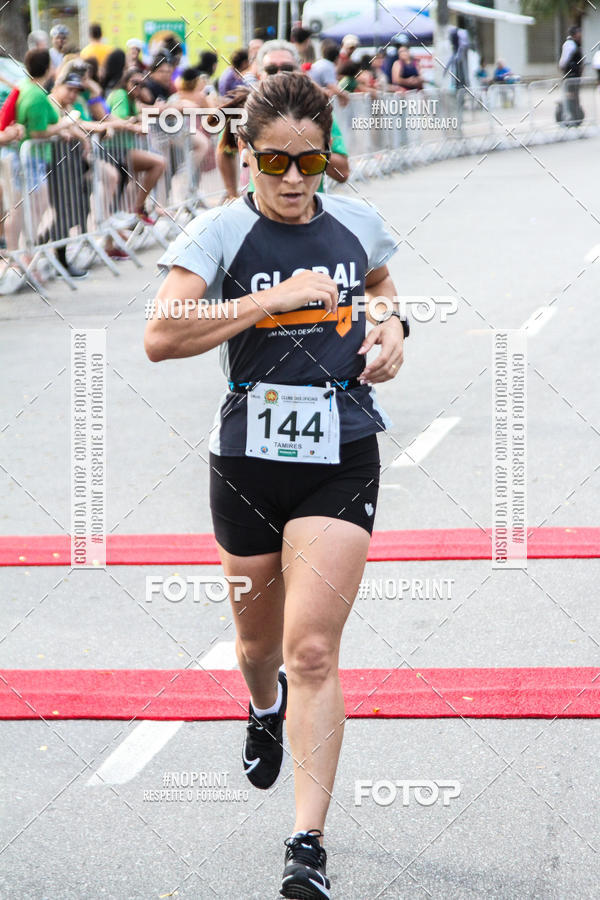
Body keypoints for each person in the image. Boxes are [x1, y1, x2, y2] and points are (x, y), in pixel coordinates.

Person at [145, 70, 408, 900]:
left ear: (329, 156)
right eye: (274, 162)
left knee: (314, 649)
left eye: (309, 161)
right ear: (247, 156)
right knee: (261, 649)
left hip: (342, 447)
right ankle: (263, 708)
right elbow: (161, 333)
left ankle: (306, 846)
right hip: (249, 461)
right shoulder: (219, 233)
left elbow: (381, 285)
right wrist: (276, 301)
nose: (293, 180)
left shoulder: (358, 219)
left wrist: (394, 328)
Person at [217, 40, 349, 200]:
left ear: (299, 71)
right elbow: (224, 150)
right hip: (261, 211)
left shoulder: (315, 110)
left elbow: (343, 172)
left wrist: (309, 152)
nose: (279, 73)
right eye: (271, 69)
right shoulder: (248, 111)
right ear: (260, 74)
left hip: (308, 210)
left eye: (287, 68)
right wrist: (232, 194)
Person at [15, 49, 88, 278]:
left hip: (52, 165)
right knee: (43, 212)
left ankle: (35, 255)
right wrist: (67, 126)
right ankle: (31, 258)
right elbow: (38, 132)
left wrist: (71, 128)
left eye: (77, 90)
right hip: (43, 163)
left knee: (67, 212)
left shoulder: (36, 92)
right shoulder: (40, 96)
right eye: (70, 89)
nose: (74, 94)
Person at [309, 40, 349, 107]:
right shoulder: (328, 66)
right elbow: (332, 86)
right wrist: (345, 96)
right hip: (311, 96)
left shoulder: (321, 62)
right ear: (337, 57)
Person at [559, 25, 584, 126]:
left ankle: (576, 118)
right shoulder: (569, 44)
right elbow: (563, 62)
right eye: (579, 32)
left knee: (574, 97)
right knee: (570, 97)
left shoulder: (576, 44)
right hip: (570, 76)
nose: (581, 34)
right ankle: (570, 119)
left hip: (574, 77)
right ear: (574, 34)